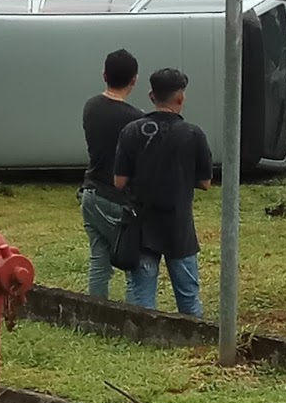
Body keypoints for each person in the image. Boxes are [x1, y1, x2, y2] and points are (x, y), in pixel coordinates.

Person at [113, 68, 213, 317]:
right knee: (188, 297)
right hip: (179, 227)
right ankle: (193, 339)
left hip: (142, 227)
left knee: (141, 300)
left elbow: (119, 181)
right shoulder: (193, 134)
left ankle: (143, 342)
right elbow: (205, 182)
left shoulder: (131, 131)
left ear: (150, 96)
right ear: (180, 98)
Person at [79, 49, 143, 298]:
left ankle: (97, 310)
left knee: (99, 258)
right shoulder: (135, 120)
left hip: (91, 192)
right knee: (131, 260)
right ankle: (134, 314)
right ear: (134, 80)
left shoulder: (91, 106)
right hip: (117, 199)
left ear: (104, 74)